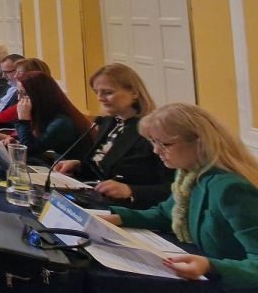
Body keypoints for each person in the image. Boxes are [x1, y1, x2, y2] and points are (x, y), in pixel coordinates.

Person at [100, 103, 258, 288]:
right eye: (154, 142)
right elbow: (167, 214)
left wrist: (211, 266)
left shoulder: (231, 189)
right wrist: (117, 218)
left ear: (200, 143)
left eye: (165, 144)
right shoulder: (188, 174)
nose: (156, 151)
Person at [54, 64, 173, 208]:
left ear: (134, 93)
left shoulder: (153, 130)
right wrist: (78, 165)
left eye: (107, 92)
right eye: (97, 92)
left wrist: (131, 190)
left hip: (133, 208)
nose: (99, 98)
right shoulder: (109, 122)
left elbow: (172, 189)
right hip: (98, 199)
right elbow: (104, 169)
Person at [10, 71, 94, 161]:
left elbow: (28, 151)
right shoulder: (44, 114)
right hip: (55, 163)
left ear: (39, 95)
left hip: (71, 168)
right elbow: (35, 142)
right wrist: (15, 141)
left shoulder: (61, 123)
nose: (19, 98)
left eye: (24, 94)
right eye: (18, 93)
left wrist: (23, 121)